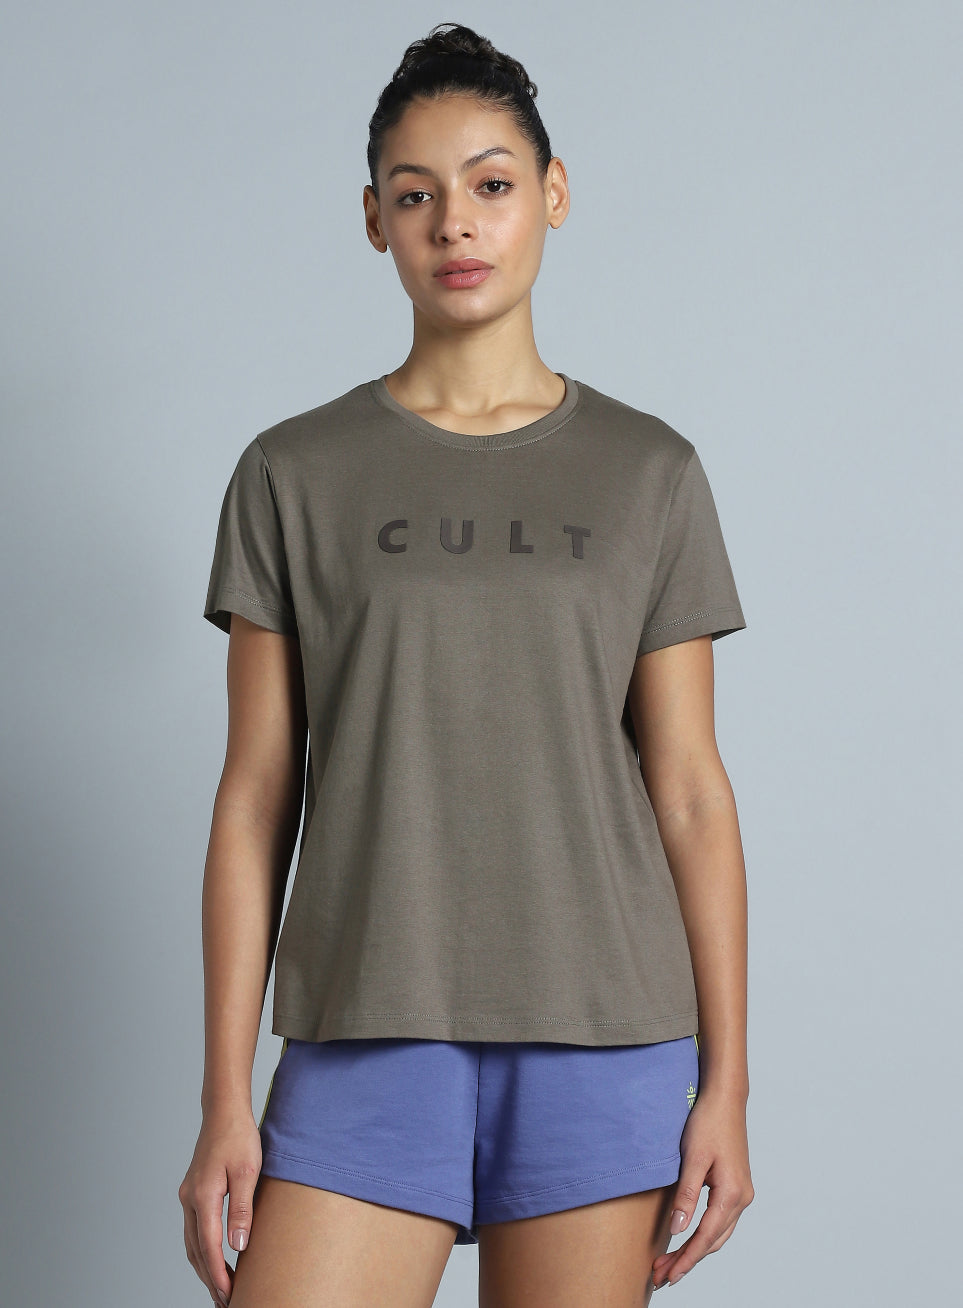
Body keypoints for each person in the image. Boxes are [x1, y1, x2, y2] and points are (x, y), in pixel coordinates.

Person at [178, 21, 754, 1308]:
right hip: (365, 1025)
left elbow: (690, 793)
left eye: (492, 183)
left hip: (603, 1030)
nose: (456, 222)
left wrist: (727, 1084)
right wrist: (223, 1098)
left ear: (554, 193)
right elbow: (255, 798)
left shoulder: (650, 472)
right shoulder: (291, 473)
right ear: (373, 221)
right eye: (414, 194)